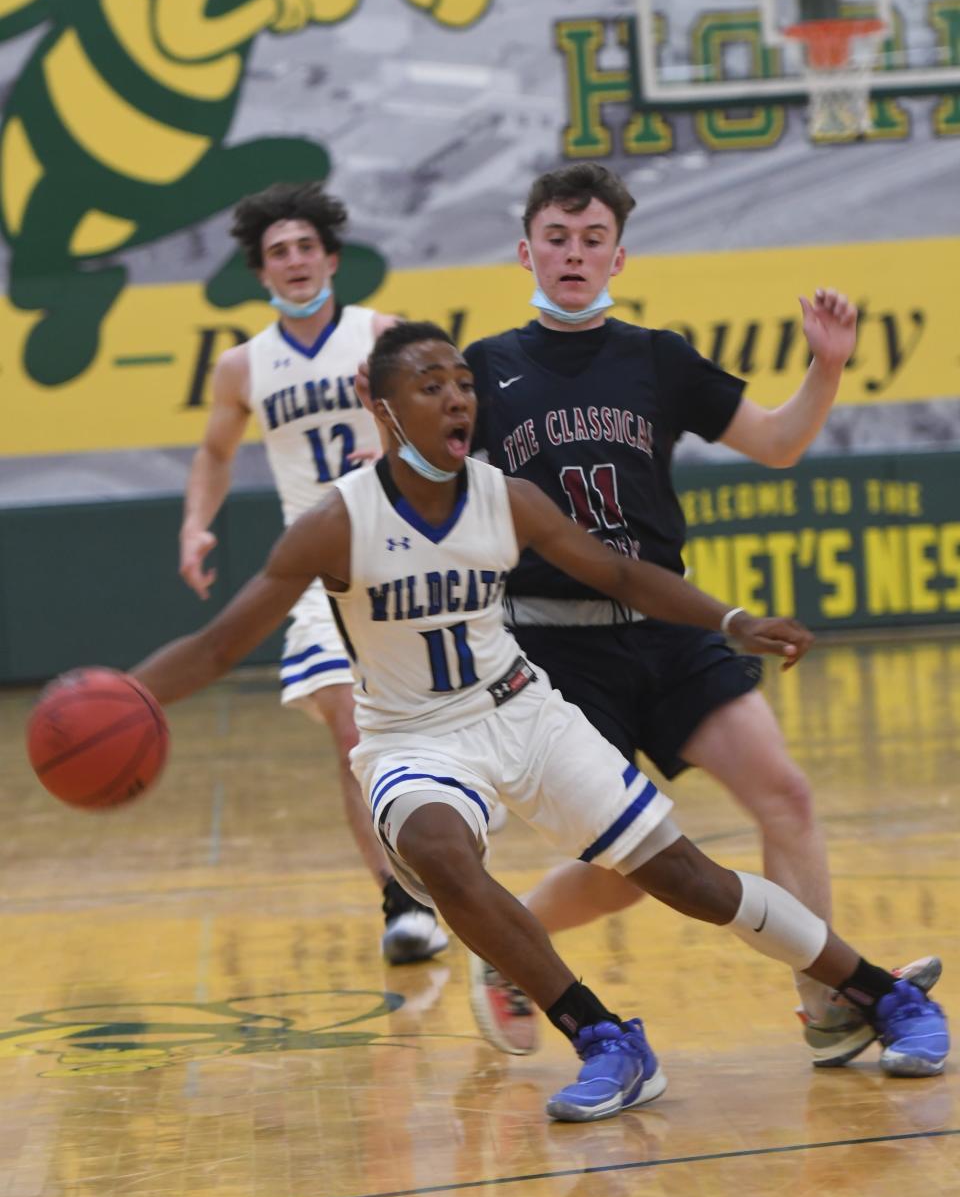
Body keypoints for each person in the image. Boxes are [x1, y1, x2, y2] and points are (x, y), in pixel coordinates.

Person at [131, 322, 948, 1123]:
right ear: (379, 405)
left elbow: (623, 572)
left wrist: (730, 620)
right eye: (430, 385)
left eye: (462, 384)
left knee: (689, 881)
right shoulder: (337, 522)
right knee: (437, 850)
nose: (457, 399)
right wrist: (125, 694)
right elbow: (214, 648)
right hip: (411, 737)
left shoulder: (507, 498)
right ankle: (605, 1037)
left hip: (522, 710)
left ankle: (880, 991)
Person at [462, 161, 936, 1065]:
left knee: (785, 795)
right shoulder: (485, 367)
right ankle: (510, 950)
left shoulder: (657, 357)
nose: (574, 253)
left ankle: (829, 1003)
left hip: (671, 627)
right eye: (557, 239)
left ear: (619, 257)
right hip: (554, 646)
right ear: (526, 250)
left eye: (592, 239)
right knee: (629, 872)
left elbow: (777, 441)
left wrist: (826, 369)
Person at [177, 181, 447, 965]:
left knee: (428, 737)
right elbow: (216, 454)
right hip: (319, 569)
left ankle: (446, 868)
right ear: (262, 273)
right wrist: (196, 523)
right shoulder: (242, 366)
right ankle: (403, 904)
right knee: (351, 735)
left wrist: (397, 449)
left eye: (305, 247)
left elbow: (449, 423)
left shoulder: (383, 335)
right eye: (277, 253)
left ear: (331, 256)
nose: (294, 262)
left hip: (407, 558)